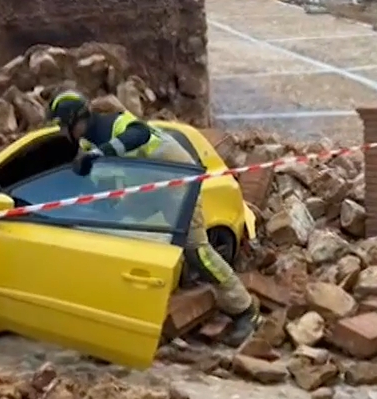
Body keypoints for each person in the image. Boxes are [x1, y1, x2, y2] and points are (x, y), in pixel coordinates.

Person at [46, 90, 260, 347]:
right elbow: (103, 180)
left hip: (180, 186)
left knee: (197, 252)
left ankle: (245, 310)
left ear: (75, 119)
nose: (62, 132)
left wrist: (102, 153)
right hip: (148, 188)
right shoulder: (87, 144)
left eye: (63, 125)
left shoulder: (116, 124)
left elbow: (140, 134)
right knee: (113, 234)